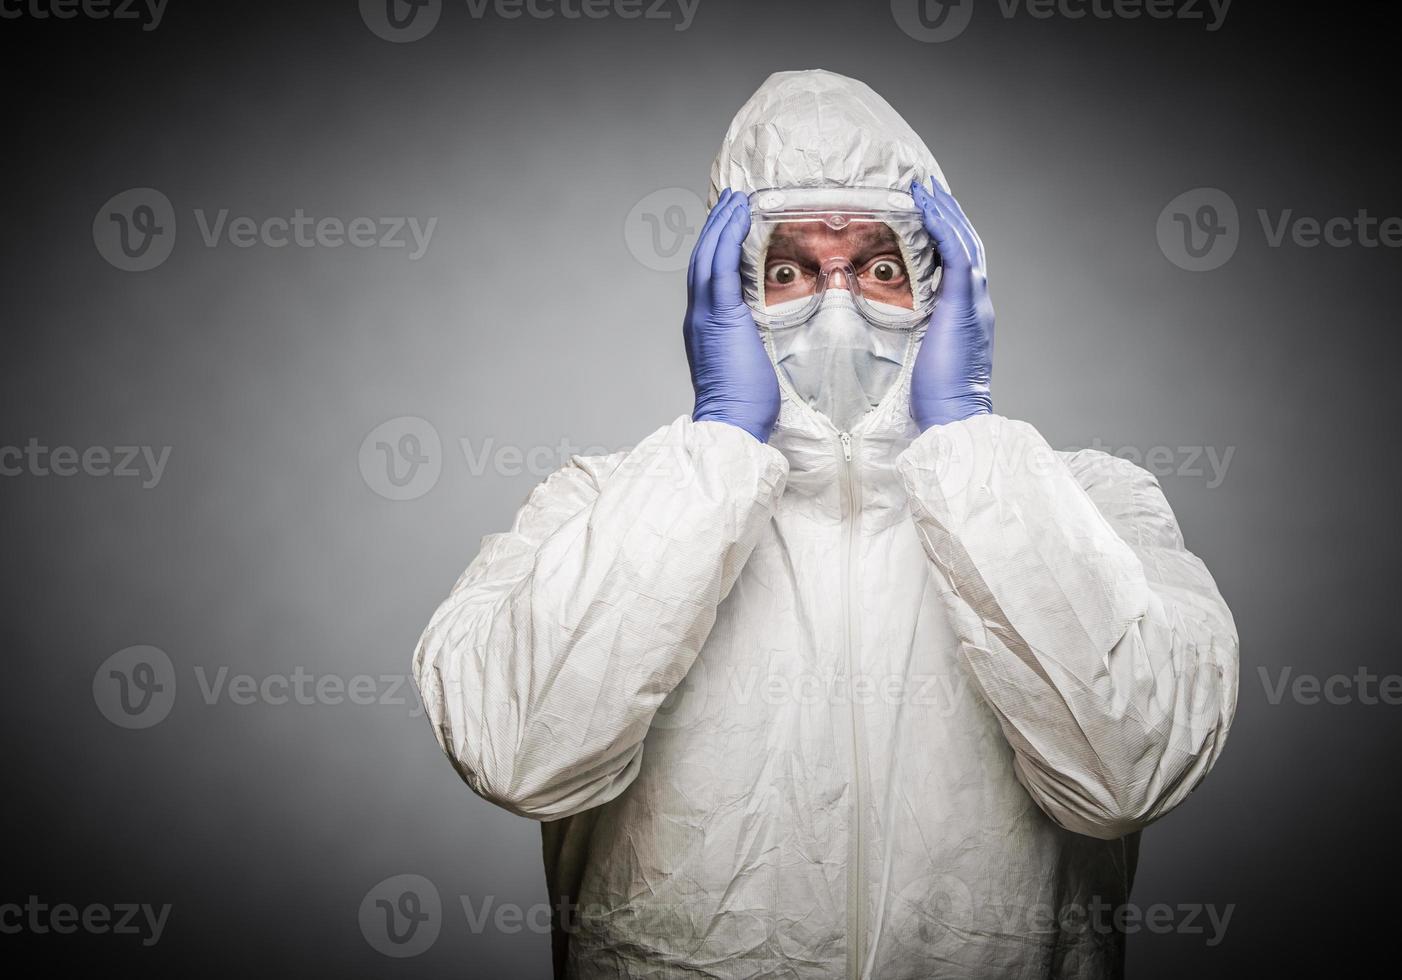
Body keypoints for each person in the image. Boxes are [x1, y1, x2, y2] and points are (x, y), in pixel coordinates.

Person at [412, 69, 1238, 980]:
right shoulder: (596, 507)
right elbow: (522, 754)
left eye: (881, 267)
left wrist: (968, 440)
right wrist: (719, 442)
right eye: (790, 269)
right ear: (726, 295)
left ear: (943, 289)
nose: (837, 306)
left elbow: (1128, 775)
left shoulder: (1092, 506)